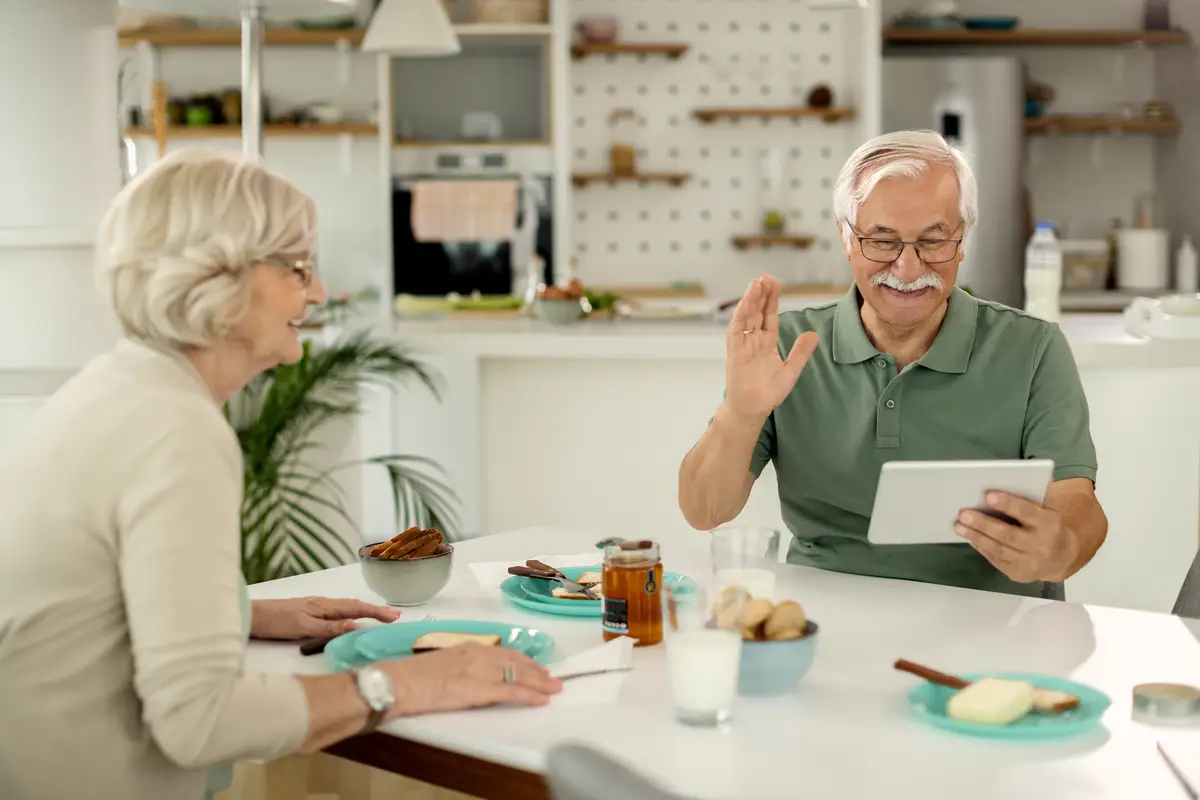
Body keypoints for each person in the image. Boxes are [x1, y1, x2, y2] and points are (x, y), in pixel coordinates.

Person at [0, 149, 561, 800]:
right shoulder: (174, 429)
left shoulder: (114, 390)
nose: (318, 291)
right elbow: (197, 721)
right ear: (215, 279)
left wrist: (238, 612)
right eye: (298, 267)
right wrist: (414, 684)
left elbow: (83, 615)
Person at [678, 130, 1108, 598]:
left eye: (933, 241)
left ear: (962, 242)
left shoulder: (1033, 347)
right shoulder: (786, 345)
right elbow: (704, 510)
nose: (907, 269)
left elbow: (1077, 504)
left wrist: (1060, 548)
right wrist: (741, 414)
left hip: (993, 620)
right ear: (845, 238)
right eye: (881, 242)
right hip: (830, 615)